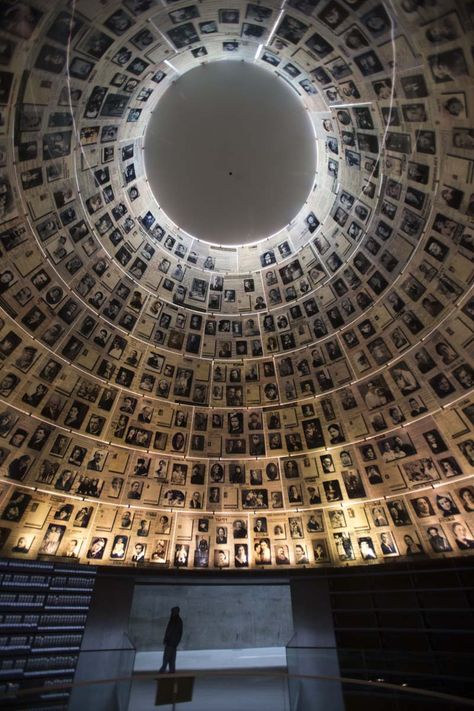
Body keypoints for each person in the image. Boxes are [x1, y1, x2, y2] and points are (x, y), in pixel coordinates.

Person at [159, 607, 183, 673]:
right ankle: (171, 672)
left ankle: (162, 671)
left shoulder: (174, 620)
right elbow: (179, 633)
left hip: (170, 643)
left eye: (172, 611)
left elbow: (169, 631)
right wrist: (176, 642)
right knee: (172, 659)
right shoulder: (178, 620)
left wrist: (166, 640)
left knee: (166, 658)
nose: (171, 613)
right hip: (173, 643)